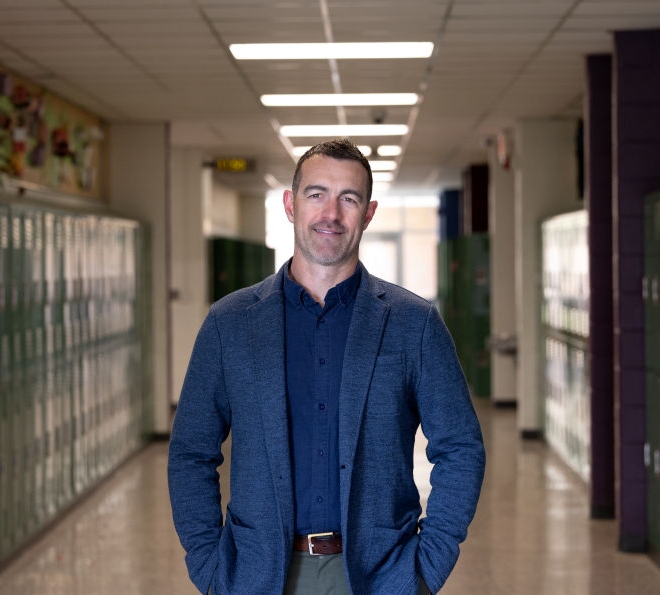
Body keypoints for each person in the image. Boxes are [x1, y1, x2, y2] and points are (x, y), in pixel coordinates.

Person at [168, 138, 485, 595]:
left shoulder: (413, 324)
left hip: (379, 577)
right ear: (290, 205)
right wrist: (210, 566)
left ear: (368, 213)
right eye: (316, 194)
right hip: (257, 576)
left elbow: (461, 448)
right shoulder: (230, 324)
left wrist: (425, 570)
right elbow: (191, 452)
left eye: (349, 199)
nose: (331, 214)